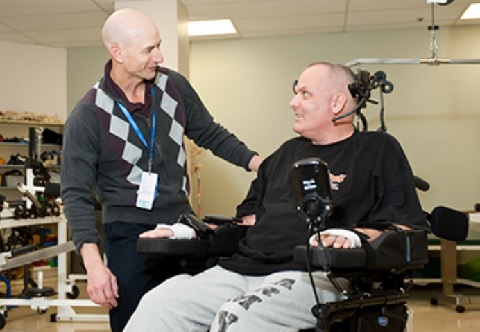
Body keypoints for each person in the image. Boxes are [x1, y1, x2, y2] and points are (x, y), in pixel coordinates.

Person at [122, 62, 430, 332]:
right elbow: (245, 225)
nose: (293, 102)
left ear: (337, 103)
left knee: (237, 318)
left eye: (305, 94)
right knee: (159, 303)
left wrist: (351, 236)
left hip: (315, 276)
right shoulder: (283, 155)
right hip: (243, 270)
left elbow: (405, 228)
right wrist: (190, 231)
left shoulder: (378, 150)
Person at [60, 8, 262, 332]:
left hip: (182, 227)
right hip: (130, 234)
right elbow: (75, 194)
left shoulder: (173, 87)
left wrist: (260, 164)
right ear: (118, 53)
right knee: (136, 323)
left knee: (196, 320)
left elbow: (209, 132)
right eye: (149, 49)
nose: (160, 55)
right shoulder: (88, 114)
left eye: (159, 45)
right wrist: (94, 265)